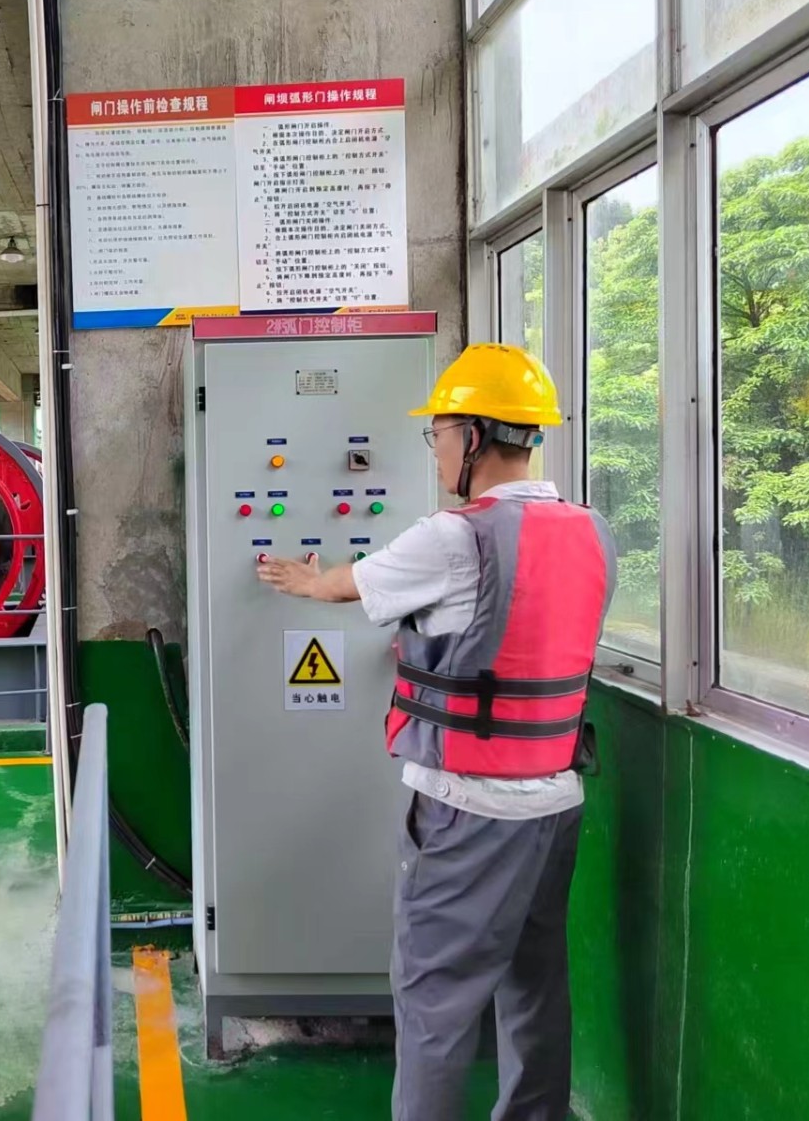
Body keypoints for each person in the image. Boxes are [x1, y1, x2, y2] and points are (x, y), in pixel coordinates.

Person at [257, 343, 615, 1121]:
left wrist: (307, 578)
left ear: (475, 437)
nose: (436, 449)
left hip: (467, 808)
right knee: (535, 988)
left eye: (441, 433)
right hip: (556, 803)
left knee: (434, 1007)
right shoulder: (591, 531)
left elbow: (350, 585)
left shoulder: (456, 538)